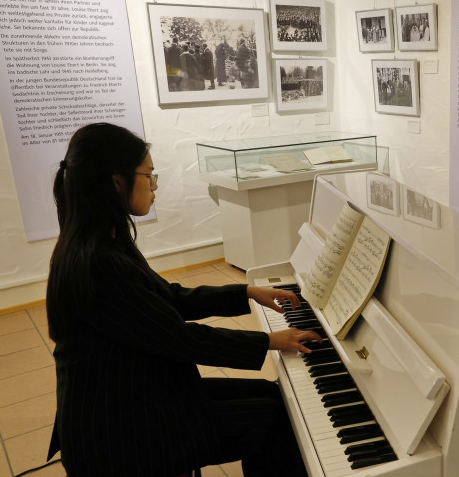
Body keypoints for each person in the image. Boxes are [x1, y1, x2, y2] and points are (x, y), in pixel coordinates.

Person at [45, 123, 321, 475]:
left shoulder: (100, 241)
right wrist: (268, 341)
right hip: (118, 429)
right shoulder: (99, 261)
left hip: (137, 393)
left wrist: (247, 292)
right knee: (271, 420)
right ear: (117, 181)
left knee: (277, 398)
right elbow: (178, 337)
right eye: (150, 176)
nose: (154, 187)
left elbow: (169, 298)